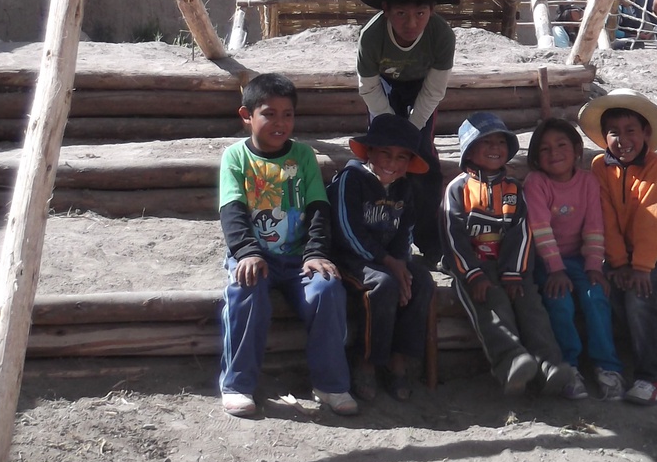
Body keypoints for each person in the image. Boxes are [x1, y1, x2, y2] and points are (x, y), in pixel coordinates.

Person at [218, 72, 356, 418]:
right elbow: (232, 211)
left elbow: (318, 208)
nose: (280, 123)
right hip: (254, 255)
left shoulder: (303, 156)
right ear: (246, 115)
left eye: (288, 114)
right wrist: (247, 252)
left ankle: (330, 384)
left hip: (298, 259)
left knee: (327, 289)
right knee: (245, 290)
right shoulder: (236, 157)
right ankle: (237, 384)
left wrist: (316, 252)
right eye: (269, 114)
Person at [441, 111, 578, 398]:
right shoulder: (458, 189)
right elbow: (453, 237)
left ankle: (549, 364)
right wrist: (473, 275)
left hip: (511, 266)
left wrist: (515, 274)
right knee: (493, 305)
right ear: (469, 152)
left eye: (501, 142)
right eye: (486, 142)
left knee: (531, 306)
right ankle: (511, 362)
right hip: (473, 268)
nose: (495, 148)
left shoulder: (514, 190)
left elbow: (522, 233)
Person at [578, 88, 657, 405]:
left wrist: (640, 267)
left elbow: (649, 217)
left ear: (646, 133)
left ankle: (655, 377)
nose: (622, 139)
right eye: (614, 132)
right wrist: (619, 263)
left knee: (638, 296)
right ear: (604, 137)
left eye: (630, 131)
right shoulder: (600, 167)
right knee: (607, 294)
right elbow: (605, 218)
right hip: (622, 258)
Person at [328, 113, 435, 402]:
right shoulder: (350, 180)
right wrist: (390, 263)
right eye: (386, 153)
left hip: (387, 260)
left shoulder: (404, 187)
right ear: (370, 151)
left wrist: (401, 264)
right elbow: (347, 231)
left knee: (422, 281)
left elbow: (405, 231)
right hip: (350, 259)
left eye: (402, 157)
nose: (392, 163)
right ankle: (367, 362)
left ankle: (398, 359)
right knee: (384, 284)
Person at [356, 0, 458, 256]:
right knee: (381, 153)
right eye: (401, 13)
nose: (411, 23)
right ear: (386, 10)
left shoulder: (442, 36)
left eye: (420, 14)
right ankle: (377, 231)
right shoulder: (371, 36)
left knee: (422, 155)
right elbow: (368, 86)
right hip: (383, 87)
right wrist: (390, 128)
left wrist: (411, 130)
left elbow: (435, 89)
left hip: (422, 88)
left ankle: (429, 242)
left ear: (432, 11)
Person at [524, 117, 624, 400]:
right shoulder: (536, 183)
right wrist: (555, 270)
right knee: (560, 301)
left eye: (561, 145)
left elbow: (594, 226)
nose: (554, 153)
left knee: (596, 296)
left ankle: (607, 365)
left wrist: (594, 267)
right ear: (535, 158)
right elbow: (540, 229)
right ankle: (569, 366)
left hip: (579, 261)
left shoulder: (588, 182)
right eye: (544, 149)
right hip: (546, 262)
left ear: (577, 149)